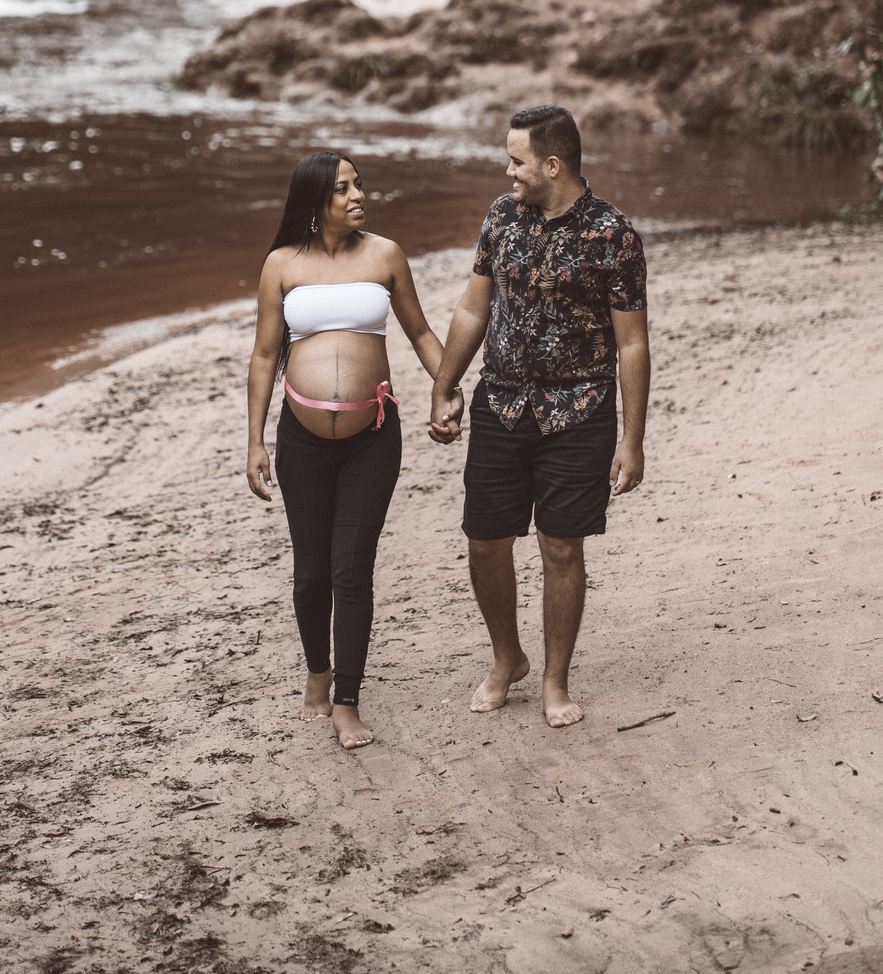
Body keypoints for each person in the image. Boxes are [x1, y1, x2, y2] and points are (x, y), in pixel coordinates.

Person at [428, 104, 649, 729]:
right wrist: (445, 386)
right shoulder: (502, 216)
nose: (508, 172)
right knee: (484, 539)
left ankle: (555, 680)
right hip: (501, 403)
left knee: (561, 547)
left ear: (552, 165)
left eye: (517, 161)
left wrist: (632, 439)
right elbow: (474, 308)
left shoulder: (612, 234)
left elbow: (632, 343)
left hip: (578, 412)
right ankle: (508, 658)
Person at [246, 151, 444, 749]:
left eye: (359, 184)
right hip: (300, 441)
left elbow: (420, 332)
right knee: (311, 574)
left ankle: (347, 700)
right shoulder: (281, 264)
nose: (358, 195)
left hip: (372, 439)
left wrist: (448, 390)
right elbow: (264, 355)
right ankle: (318, 670)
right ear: (315, 201)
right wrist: (254, 440)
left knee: (351, 570)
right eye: (343, 188)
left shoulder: (385, 255)